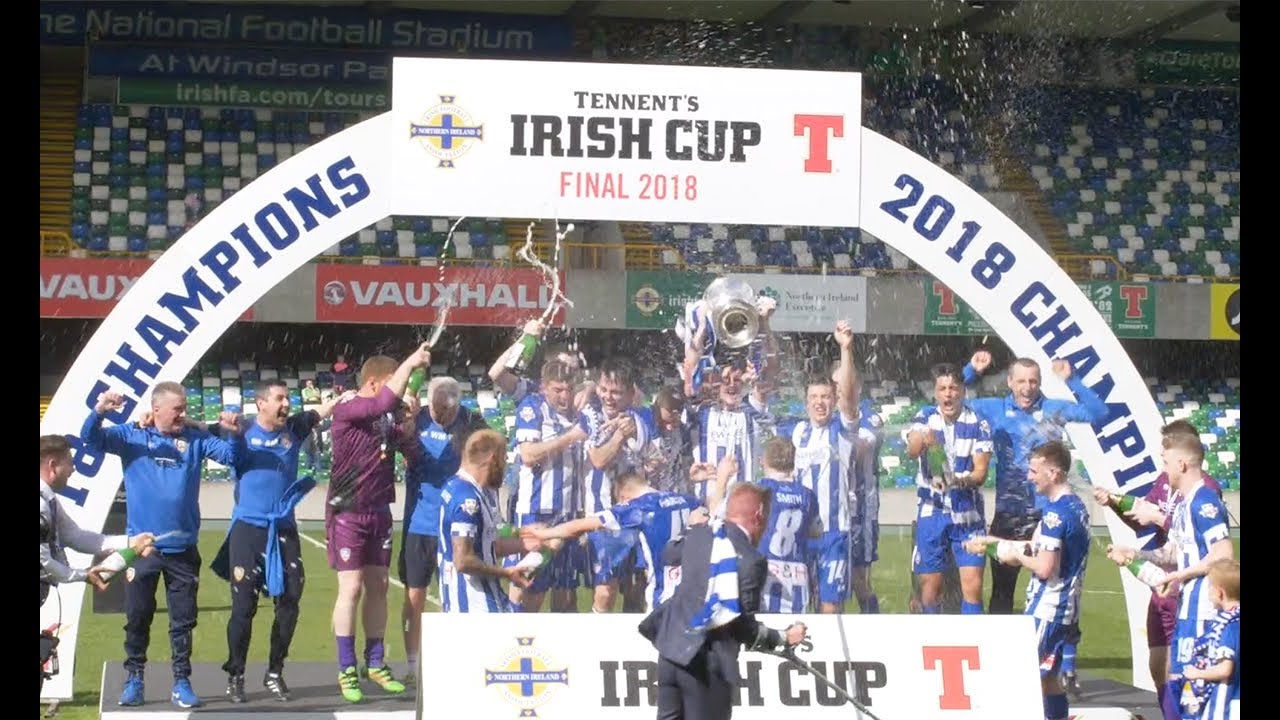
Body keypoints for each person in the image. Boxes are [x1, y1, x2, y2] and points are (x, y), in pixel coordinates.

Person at [81, 383, 242, 709]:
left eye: (184, 408)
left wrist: (233, 433)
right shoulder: (132, 435)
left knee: (183, 620)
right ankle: (134, 678)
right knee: (138, 616)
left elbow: (232, 458)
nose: (184, 414)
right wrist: (100, 409)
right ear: (155, 410)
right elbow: (91, 438)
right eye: (177, 409)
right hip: (143, 550)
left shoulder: (195, 439)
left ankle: (181, 680)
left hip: (183, 549)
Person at [210, 380, 344, 703]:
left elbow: (322, 410)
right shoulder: (240, 428)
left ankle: (274, 672)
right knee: (244, 606)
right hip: (247, 530)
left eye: (288, 398)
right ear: (261, 403)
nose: (286, 404)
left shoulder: (294, 429)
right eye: (279, 399)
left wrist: (345, 398)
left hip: (283, 528)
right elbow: (199, 427)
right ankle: (236, 675)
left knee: (290, 600)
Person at [639, 482, 808, 720]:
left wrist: (690, 527)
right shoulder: (752, 561)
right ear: (759, 515)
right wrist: (781, 637)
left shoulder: (698, 535)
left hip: (670, 653)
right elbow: (742, 627)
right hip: (707, 667)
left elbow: (669, 554)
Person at [961, 352, 1107, 616]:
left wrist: (1071, 379)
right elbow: (951, 397)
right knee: (1002, 593)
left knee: (1051, 587)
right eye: (1021, 382)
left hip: (1046, 514)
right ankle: (1000, 652)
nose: (1027, 388)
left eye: (1033, 381)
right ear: (1009, 382)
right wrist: (971, 371)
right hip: (1010, 514)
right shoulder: (994, 408)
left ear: (1040, 383)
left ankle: (1044, 649)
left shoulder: (1053, 409)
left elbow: (1099, 413)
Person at [326, 344, 432, 703]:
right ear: (373, 383)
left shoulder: (387, 416)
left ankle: (376, 663)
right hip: (347, 511)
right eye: (393, 386)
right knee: (351, 588)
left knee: (379, 586)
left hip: (379, 510)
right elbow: (380, 404)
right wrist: (412, 363)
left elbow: (413, 453)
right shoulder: (348, 407)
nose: (399, 393)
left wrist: (409, 423)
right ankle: (346, 667)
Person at [1105, 432, 1233, 720]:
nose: (1163, 470)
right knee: (1179, 686)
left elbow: (1223, 554)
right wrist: (1137, 555)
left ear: (1182, 464)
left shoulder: (1205, 501)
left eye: (1166, 463)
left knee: (1200, 693)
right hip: (1187, 611)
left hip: (1204, 612)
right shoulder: (1185, 505)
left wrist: (1180, 576)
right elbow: (1175, 553)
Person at [966, 441, 1090, 720]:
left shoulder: (1057, 514)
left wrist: (1018, 558)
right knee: (1048, 680)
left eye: (1035, 471)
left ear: (1054, 473)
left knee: (1020, 680)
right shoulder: (1075, 507)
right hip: (1064, 611)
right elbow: (1034, 547)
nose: (1030, 477)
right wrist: (991, 543)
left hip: (1048, 609)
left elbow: (1043, 567)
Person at [40, 434, 156, 695]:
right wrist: (82, 576)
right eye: (69, 463)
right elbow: (42, 560)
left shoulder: (48, 500)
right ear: (52, 465)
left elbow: (76, 537)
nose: (73, 469)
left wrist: (130, 541)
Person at [400, 376, 487, 675]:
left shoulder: (472, 421)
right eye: (437, 410)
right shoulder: (417, 418)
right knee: (415, 595)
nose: (442, 417)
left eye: (448, 412)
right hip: (420, 524)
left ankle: (454, 664)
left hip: (457, 526)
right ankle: (413, 664)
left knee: (457, 595)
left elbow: (490, 457)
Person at [907, 363, 993, 615]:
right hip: (932, 512)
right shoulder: (924, 417)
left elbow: (980, 472)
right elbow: (912, 451)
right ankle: (928, 643)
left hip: (968, 514)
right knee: (930, 588)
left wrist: (958, 480)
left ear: (963, 391)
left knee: (973, 586)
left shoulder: (978, 423)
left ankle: (972, 641)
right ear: (935, 393)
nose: (948, 394)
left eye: (953, 388)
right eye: (942, 389)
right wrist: (924, 440)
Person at [787, 320, 859, 614]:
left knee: (830, 607)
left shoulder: (843, 428)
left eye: (826, 397)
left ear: (834, 400)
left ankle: (830, 660)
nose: (820, 403)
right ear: (806, 403)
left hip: (834, 534)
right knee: (801, 606)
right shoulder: (798, 432)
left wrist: (846, 349)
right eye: (814, 398)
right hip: (800, 533)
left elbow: (850, 396)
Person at [510, 359, 590, 613]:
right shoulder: (532, 407)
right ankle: (514, 646)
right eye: (557, 390)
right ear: (544, 387)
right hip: (536, 510)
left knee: (565, 591)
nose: (564, 396)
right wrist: (568, 438)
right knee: (529, 585)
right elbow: (529, 454)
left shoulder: (581, 412)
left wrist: (589, 386)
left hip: (568, 514)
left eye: (569, 389)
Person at [439, 430, 546, 613]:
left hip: (467, 600)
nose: (504, 467)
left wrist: (527, 541)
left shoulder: (456, 486)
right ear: (491, 459)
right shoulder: (467, 500)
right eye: (503, 459)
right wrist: (506, 573)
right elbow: (463, 560)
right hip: (477, 607)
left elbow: (488, 544)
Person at [578, 359, 650, 613]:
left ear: (630, 394)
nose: (609, 397)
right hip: (603, 516)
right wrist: (620, 435)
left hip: (637, 516)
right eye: (604, 390)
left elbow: (648, 454)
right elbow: (597, 460)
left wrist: (630, 429)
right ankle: (596, 649)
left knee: (638, 588)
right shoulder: (588, 418)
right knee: (605, 591)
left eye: (617, 392)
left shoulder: (640, 419)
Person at [753, 438, 821, 613]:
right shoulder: (807, 495)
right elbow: (816, 531)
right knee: (796, 633)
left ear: (764, 460)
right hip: (797, 572)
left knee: (764, 632)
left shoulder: (759, 490)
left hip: (766, 569)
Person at [1177, 558, 1240, 720]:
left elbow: (1225, 669)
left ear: (1220, 593)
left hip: (1227, 705)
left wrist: (1197, 673)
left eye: (1209, 588)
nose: (1208, 593)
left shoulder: (1229, 627)